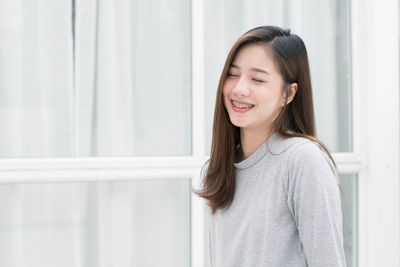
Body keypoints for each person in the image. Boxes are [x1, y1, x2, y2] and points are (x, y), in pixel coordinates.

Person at [194, 26, 347, 266]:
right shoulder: (218, 169)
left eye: (257, 79)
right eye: (232, 75)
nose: (239, 89)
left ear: (288, 93)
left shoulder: (302, 160)